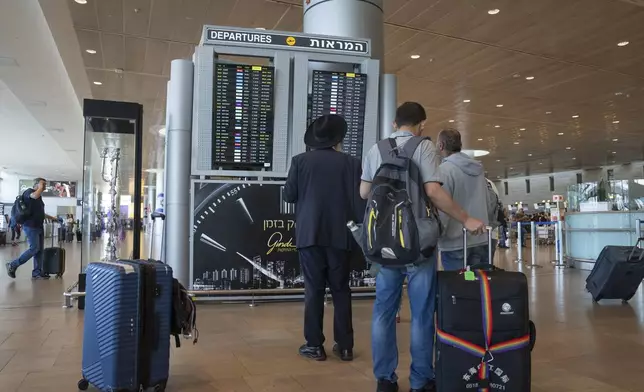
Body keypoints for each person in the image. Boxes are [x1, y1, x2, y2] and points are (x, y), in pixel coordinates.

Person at [360, 102, 485, 392]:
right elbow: (433, 191)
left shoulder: (376, 149)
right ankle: (420, 380)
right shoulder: (424, 147)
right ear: (422, 124)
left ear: (394, 123)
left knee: (383, 312)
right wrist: (465, 218)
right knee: (421, 312)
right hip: (418, 243)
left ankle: (385, 380)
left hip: (384, 244)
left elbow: (364, 192)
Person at [284, 114, 362, 362]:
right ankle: (346, 346)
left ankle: (314, 345)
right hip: (341, 235)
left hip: (310, 235)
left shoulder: (299, 161)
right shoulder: (352, 163)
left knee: (314, 291)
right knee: (341, 290)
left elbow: (289, 195)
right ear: (338, 140)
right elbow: (359, 199)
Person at [5, 178, 58, 279]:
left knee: (39, 251)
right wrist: (41, 186)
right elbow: (34, 195)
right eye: (43, 184)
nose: (45, 186)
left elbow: (41, 212)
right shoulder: (29, 192)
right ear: (37, 184)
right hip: (31, 226)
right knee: (34, 249)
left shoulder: (39, 198)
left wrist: (52, 218)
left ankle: (37, 272)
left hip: (39, 226)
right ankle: (13, 265)